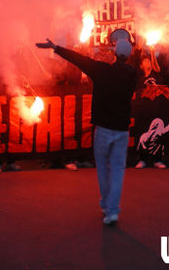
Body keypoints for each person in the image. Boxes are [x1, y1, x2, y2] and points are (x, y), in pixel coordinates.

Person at [36, 36, 137, 225]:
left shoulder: (102, 71)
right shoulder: (132, 74)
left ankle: (107, 206)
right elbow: (127, 65)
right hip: (122, 130)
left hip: (104, 128)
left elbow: (78, 59)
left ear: (115, 53)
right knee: (117, 171)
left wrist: (56, 47)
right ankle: (112, 210)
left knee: (103, 170)